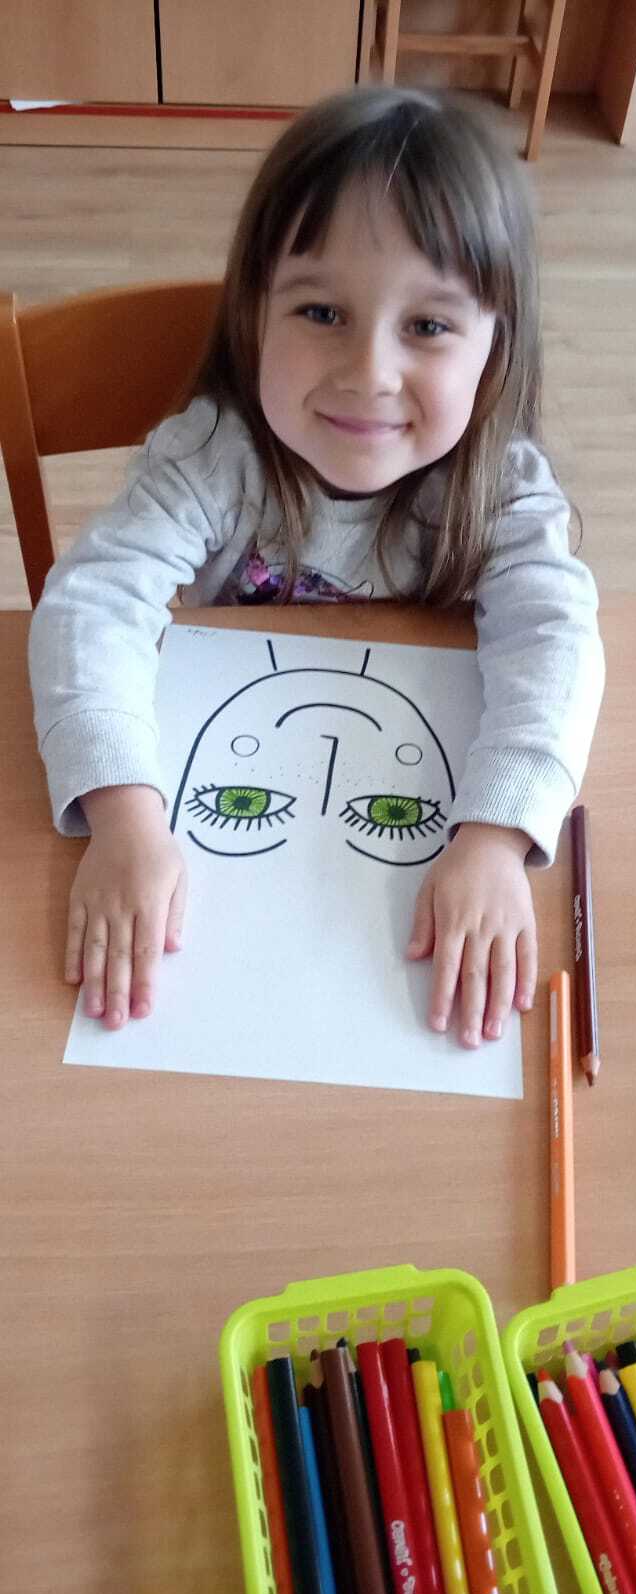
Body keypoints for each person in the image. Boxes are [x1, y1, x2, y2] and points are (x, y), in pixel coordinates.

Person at [29, 84, 605, 1049]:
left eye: (428, 326)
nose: (368, 372)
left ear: (494, 344)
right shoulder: (213, 457)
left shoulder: (501, 489)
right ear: (255, 313)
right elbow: (92, 603)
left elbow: (556, 636)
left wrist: (497, 836)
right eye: (323, 310)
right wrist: (124, 816)